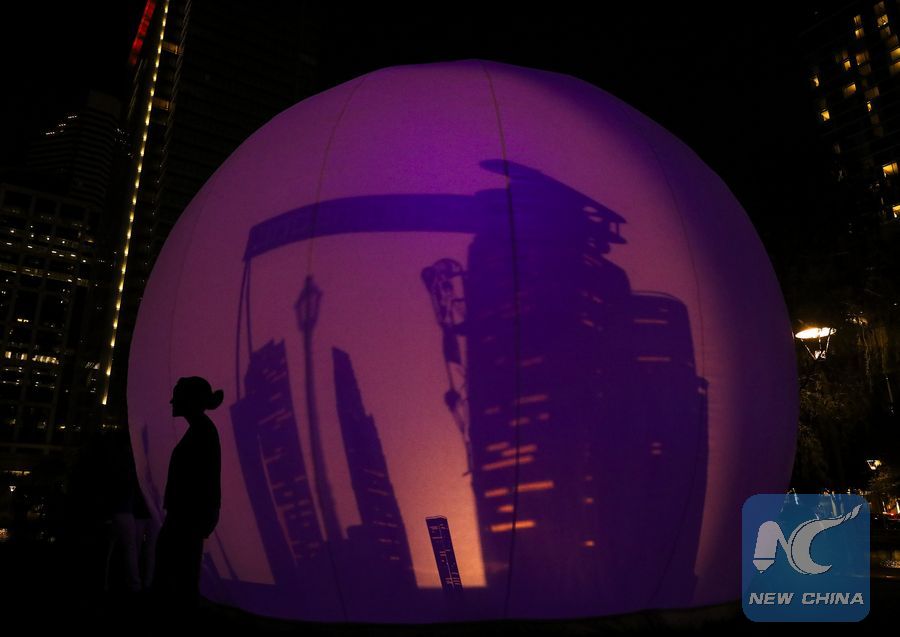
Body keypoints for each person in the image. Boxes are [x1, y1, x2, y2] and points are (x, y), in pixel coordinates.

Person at [152, 376, 223, 607]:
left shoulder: (202, 432)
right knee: (182, 570)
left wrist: (210, 509)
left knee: (179, 570)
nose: (172, 402)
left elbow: (208, 474)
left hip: (187, 515)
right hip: (187, 514)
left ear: (191, 400)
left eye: (178, 396)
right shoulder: (202, 430)